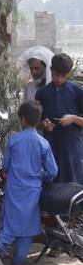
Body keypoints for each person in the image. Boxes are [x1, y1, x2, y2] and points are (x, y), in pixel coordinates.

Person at [0, 101, 58, 265]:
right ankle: (17, 264)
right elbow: (53, 171)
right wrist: (41, 175)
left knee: (10, 222)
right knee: (27, 228)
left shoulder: (14, 140)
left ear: (22, 120)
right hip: (33, 191)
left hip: (14, 189)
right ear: (38, 119)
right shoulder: (43, 143)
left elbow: (5, 166)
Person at [35, 53, 83, 184]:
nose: (60, 79)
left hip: (72, 149)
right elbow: (33, 123)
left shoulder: (78, 92)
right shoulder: (42, 93)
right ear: (51, 70)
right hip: (51, 148)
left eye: (63, 76)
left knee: (74, 186)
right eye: (56, 75)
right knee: (53, 186)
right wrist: (43, 124)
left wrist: (73, 119)